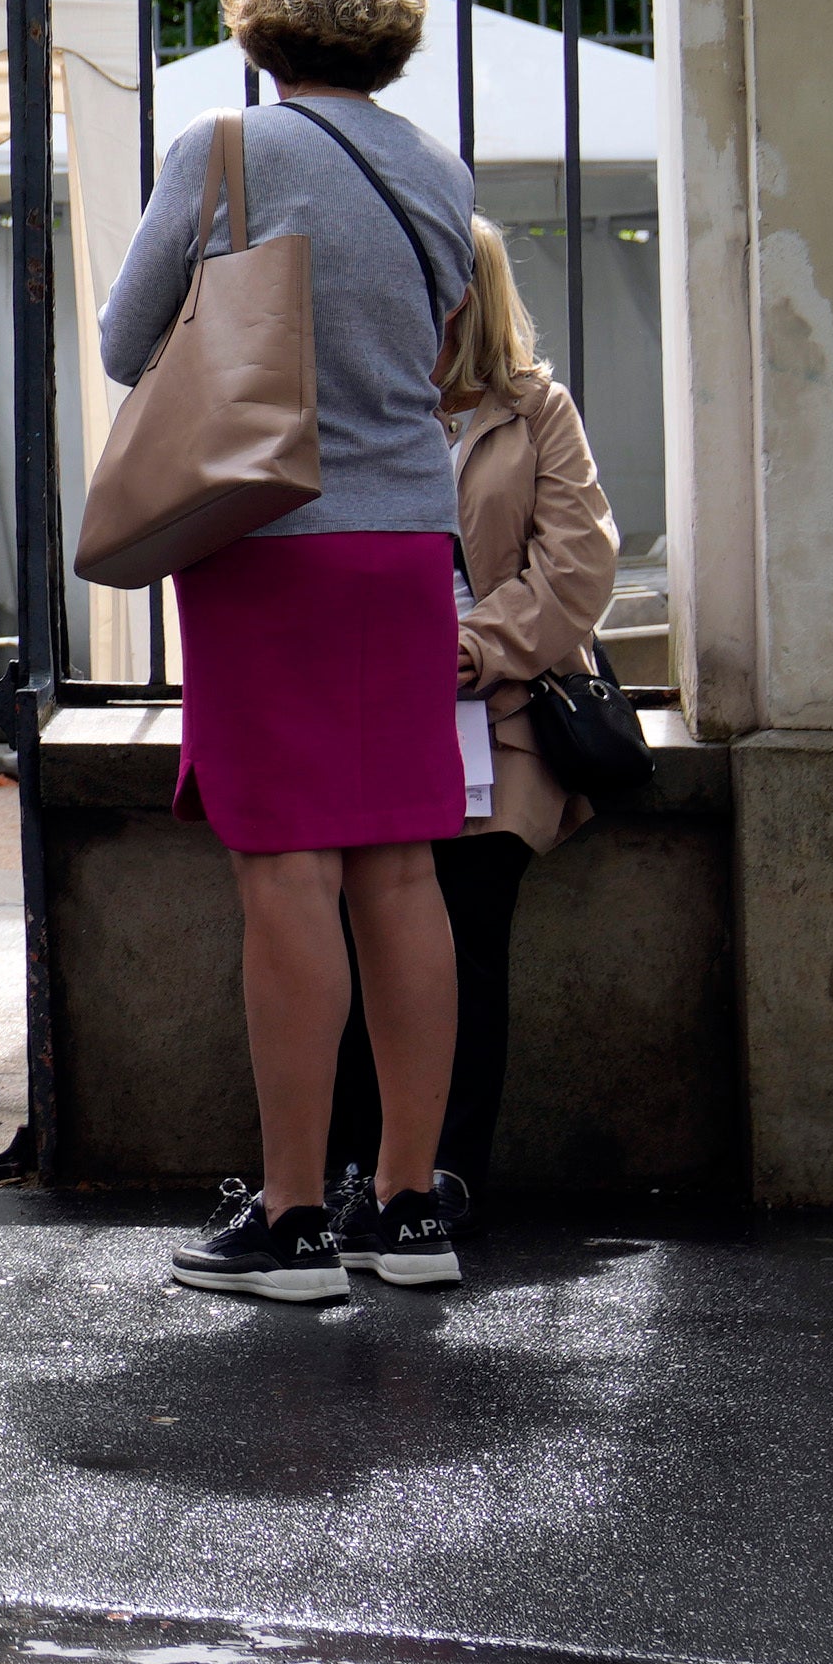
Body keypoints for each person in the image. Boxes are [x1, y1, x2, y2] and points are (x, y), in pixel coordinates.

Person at [97, 0, 483, 1308]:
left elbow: (128, 339)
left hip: (274, 539)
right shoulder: (436, 167)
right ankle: (406, 1203)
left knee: (287, 868)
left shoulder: (225, 149)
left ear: (260, 20)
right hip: (407, 542)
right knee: (401, 864)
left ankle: (290, 1213)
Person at [323, 215, 617, 1243]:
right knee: (359, 948)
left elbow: (577, 567)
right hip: (373, 713)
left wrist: (473, 646)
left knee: (467, 946)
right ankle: (351, 1172)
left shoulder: (537, 411)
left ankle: (442, 1174)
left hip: (500, 722)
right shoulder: (361, 408)